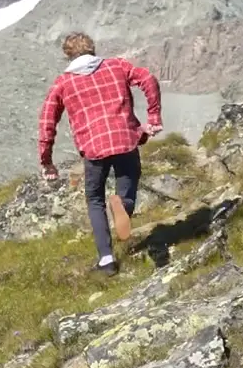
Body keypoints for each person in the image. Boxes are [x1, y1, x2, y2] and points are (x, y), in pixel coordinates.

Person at [37, 32, 162, 275]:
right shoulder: (117, 65)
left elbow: (47, 123)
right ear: (92, 49)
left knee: (94, 199)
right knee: (128, 180)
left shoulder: (62, 83)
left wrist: (47, 161)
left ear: (68, 54)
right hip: (125, 139)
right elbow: (147, 78)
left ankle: (106, 260)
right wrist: (154, 116)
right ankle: (123, 207)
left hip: (94, 149)